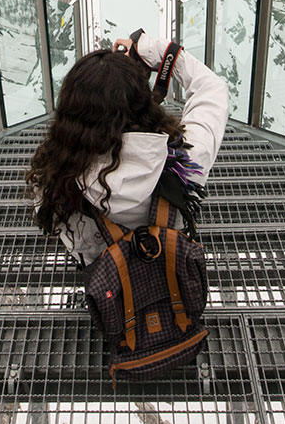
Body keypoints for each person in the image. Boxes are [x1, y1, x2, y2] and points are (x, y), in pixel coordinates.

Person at [27, 30, 230, 267]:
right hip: (170, 267)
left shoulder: (54, 177)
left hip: (106, 278)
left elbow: (69, 237)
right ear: (146, 105)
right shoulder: (186, 161)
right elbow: (212, 89)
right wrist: (153, 49)